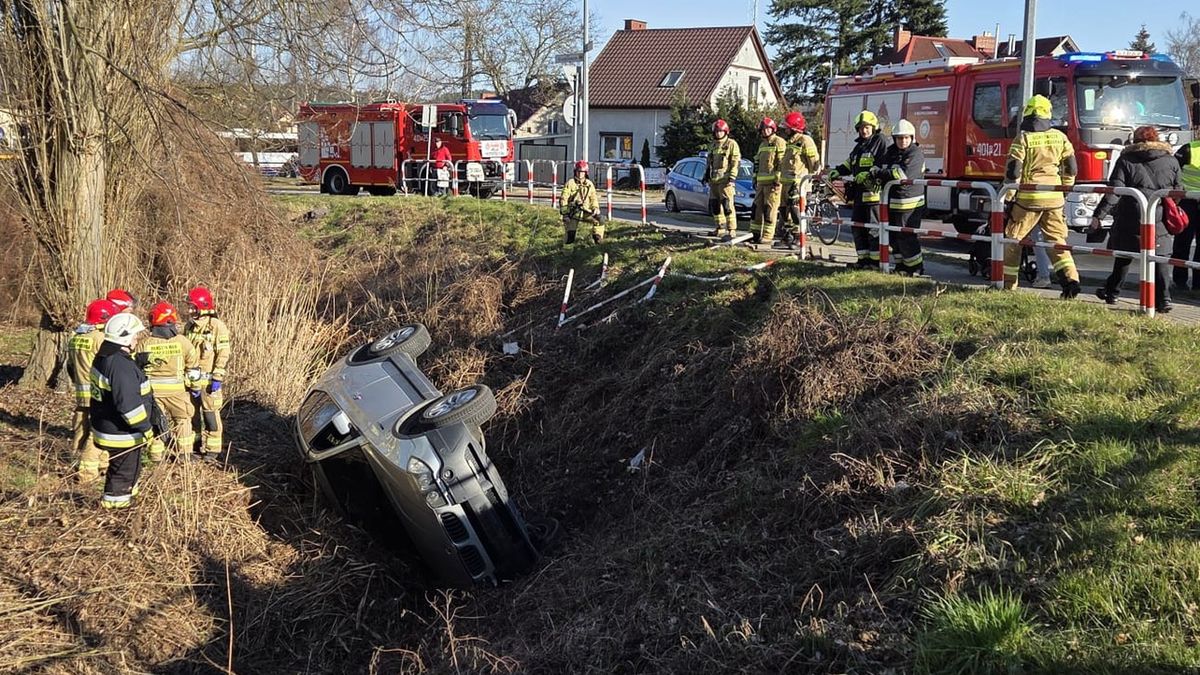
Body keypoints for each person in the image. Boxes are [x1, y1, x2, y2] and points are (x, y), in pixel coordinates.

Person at [1091, 126, 1182, 312]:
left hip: (1131, 216)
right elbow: (1178, 190)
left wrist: (1099, 215)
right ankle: (1164, 299)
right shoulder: (1171, 160)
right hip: (1159, 217)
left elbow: (1114, 191)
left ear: (1134, 140)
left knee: (1124, 256)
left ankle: (1112, 292)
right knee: (1160, 259)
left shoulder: (1126, 160)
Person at [1003, 95, 1080, 297]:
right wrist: (1064, 189)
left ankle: (1008, 285)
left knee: (1013, 240)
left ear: (1027, 113)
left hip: (1028, 199)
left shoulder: (1023, 138)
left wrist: (1008, 196)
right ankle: (1071, 281)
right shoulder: (1060, 137)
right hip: (1054, 198)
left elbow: (1013, 171)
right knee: (1057, 241)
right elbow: (1071, 168)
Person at [90, 313, 154, 509]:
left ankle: (127, 501)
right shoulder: (120, 366)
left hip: (105, 425)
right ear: (125, 338)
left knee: (124, 471)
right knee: (123, 475)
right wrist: (146, 428)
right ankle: (116, 510)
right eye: (134, 335)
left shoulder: (105, 355)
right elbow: (128, 406)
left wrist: (136, 365)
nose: (137, 339)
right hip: (122, 433)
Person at [139, 302, 199, 462]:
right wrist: (195, 387)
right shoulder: (183, 342)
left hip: (152, 393)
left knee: (156, 421)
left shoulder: (145, 343)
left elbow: (136, 365)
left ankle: (155, 456)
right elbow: (193, 368)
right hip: (177, 392)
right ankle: (185, 454)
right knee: (183, 420)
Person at [829, 110, 887, 268]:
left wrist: (869, 174)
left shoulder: (880, 141)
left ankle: (874, 262)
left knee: (873, 229)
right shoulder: (859, 146)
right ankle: (862, 260)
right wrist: (838, 171)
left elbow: (882, 163)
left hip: (874, 196)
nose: (864, 130)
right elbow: (850, 163)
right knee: (857, 227)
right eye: (861, 127)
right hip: (859, 195)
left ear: (873, 127)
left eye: (867, 127)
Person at [69, 298, 119, 483]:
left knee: (81, 427)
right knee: (98, 430)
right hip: (98, 392)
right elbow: (110, 365)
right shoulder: (100, 339)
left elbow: (70, 367)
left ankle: (77, 461)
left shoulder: (76, 337)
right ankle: (88, 472)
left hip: (81, 392)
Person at [871, 119, 926, 275]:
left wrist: (880, 173)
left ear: (912, 138)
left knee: (906, 236)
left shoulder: (915, 153)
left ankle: (915, 268)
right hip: (893, 201)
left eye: (906, 138)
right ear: (894, 138)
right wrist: (877, 174)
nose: (903, 141)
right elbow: (878, 166)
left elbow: (901, 175)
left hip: (909, 202)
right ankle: (901, 266)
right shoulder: (891, 152)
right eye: (899, 138)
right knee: (893, 236)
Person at [184, 286, 231, 459]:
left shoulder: (217, 326)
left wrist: (217, 377)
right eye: (189, 307)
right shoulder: (189, 326)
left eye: (193, 307)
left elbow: (223, 352)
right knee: (192, 415)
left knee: (210, 416)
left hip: (210, 383)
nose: (190, 311)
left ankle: (213, 451)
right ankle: (195, 447)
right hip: (191, 382)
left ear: (203, 307)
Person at [776, 111, 822, 249]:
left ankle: (799, 237)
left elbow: (814, 163)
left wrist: (812, 178)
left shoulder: (805, 141)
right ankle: (788, 236)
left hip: (798, 184)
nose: (785, 130)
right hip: (785, 183)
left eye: (787, 127)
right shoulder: (790, 142)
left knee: (796, 210)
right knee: (784, 211)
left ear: (794, 128)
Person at [751, 117, 787, 245]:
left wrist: (777, 179)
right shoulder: (762, 145)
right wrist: (754, 177)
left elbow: (782, 162)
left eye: (767, 129)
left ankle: (767, 236)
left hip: (773, 184)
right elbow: (757, 162)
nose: (765, 131)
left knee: (769, 210)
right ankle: (755, 234)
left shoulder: (779, 142)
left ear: (773, 129)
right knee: (756, 208)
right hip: (761, 183)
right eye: (763, 129)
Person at [1169, 139, 1200, 290]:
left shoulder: (1189, 148)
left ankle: (1196, 285)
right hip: (1188, 200)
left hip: (1188, 200)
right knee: (1182, 242)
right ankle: (1180, 282)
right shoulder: (1189, 149)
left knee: (1183, 243)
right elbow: (1173, 171)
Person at [705, 119, 741, 242]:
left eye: (720, 131)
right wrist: (706, 175)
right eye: (716, 131)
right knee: (715, 205)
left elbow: (735, 162)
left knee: (727, 205)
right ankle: (719, 228)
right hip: (714, 181)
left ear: (725, 132)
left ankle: (731, 230)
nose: (718, 133)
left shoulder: (731, 144)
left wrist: (732, 177)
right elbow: (709, 162)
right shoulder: (713, 145)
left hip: (725, 182)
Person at [559, 160, 602, 244]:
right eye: (578, 172)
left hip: (586, 211)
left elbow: (593, 198)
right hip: (573, 213)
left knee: (600, 220)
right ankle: (567, 251)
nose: (580, 174)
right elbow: (563, 199)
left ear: (586, 173)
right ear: (575, 172)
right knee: (570, 236)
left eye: (582, 172)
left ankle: (597, 240)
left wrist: (595, 208)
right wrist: (565, 214)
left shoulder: (589, 184)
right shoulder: (570, 183)